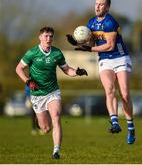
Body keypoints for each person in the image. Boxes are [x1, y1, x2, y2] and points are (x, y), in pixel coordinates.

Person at [66, 0, 135, 145]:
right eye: (96, 4)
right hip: (105, 60)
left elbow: (109, 46)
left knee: (124, 93)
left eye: (101, 5)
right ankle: (115, 122)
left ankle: (130, 125)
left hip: (120, 58)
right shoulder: (91, 22)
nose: (97, 7)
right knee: (109, 90)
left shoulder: (110, 22)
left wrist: (88, 49)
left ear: (107, 8)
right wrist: (77, 42)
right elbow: (91, 41)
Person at [16, 26, 88, 159]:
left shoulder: (57, 53)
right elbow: (19, 68)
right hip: (37, 94)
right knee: (46, 128)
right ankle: (42, 121)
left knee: (56, 116)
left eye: (51, 37)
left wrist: (76, 72)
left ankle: (56, 151)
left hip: (53, 91)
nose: (48, 39)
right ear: (40, 37)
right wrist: (28, 81)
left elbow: (67, 70)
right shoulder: (32, 53)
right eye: (46, 36)